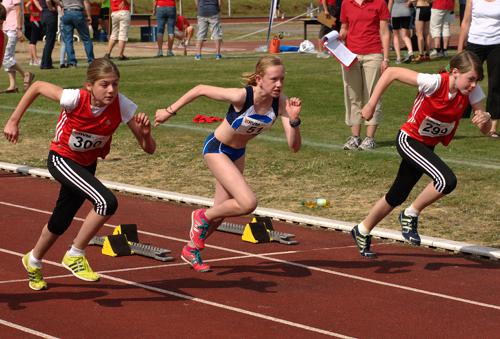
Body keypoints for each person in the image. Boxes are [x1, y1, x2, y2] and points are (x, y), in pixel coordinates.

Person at [3, 58, 156, 290]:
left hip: (86, 164)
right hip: (62, 159)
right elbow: (36, 86)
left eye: (115, 84)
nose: (111, 90)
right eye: (104, 84)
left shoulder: (122, 105)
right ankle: (75, 253)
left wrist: (145, 134)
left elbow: (149, 149)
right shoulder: (75, 98)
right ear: (90, 86)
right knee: (106, 202)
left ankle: (33, 260)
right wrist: (13, 121)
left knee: (61, 220)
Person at [154, 56, 302, 272]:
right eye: (274, 79)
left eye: (282, 79)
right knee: (247, 203)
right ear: (259, 79)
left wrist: (294, 120)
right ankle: (200, 215)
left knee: (221, 213)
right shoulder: (242, 95)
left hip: (238, 153)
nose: (279, 84)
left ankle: (191, 249)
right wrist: (169, 111)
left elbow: (294, 146)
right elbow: (200, 89)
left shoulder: (281, 103)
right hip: (217, 149)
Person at [350, 51, 492, 258]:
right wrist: (371, 103)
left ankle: (362, 229)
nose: (473, 85)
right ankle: (410, 213)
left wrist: (485, 119)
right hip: (409, 140)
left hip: (427, 145)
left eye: (476, 81)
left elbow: (485, 128)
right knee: (446, 180)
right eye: (470, 79)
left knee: (398, 193)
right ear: (454, 72)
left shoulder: (473, 92)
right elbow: (391, 73)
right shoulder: (434, 82)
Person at [339, 0, 391, 150]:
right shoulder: (346, 3)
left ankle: (370, 138)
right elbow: (344, 27)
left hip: (373, 55)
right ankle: (355, 137)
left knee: (372, 95)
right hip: (350, 56)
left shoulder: (379, 3)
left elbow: (384, 31)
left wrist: (386, 58)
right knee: (352, 95)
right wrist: (338, 36)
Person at [458, 0, 500, 137]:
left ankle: (493, 125)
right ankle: (456, 117)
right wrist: (460, 49)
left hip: (497, 45)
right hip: (475, 43)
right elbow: (465, 22)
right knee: (465, 81)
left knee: (496, 83)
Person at [2, 0, 35, 93]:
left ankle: (26, 74)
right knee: (9, 56)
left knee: (6, 57)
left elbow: (19, 11)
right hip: (6, 28)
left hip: (14, 28)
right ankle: (13, 85)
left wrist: (19, 29)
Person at [61, 0, 95, 67]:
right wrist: (89, 16)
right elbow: (86, 2)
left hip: (66, 12)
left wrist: (63, 6)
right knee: (86, 39)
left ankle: (72, 62)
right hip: (77, 12)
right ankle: (91, 61)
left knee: (68, 40)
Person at [39, 0, 58, 69]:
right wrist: (52, 8)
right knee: (50, 42)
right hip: (50, 15)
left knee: (48, 42)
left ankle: (44, 63)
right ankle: (46, 64)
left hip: (44, 15)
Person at [25, 0, 42, 66]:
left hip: (34, 20)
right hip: (35, 20)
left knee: (32, 41)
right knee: (33, 41)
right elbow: (27, 6)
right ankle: (35, 60)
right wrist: (32, 13)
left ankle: (32, 60)